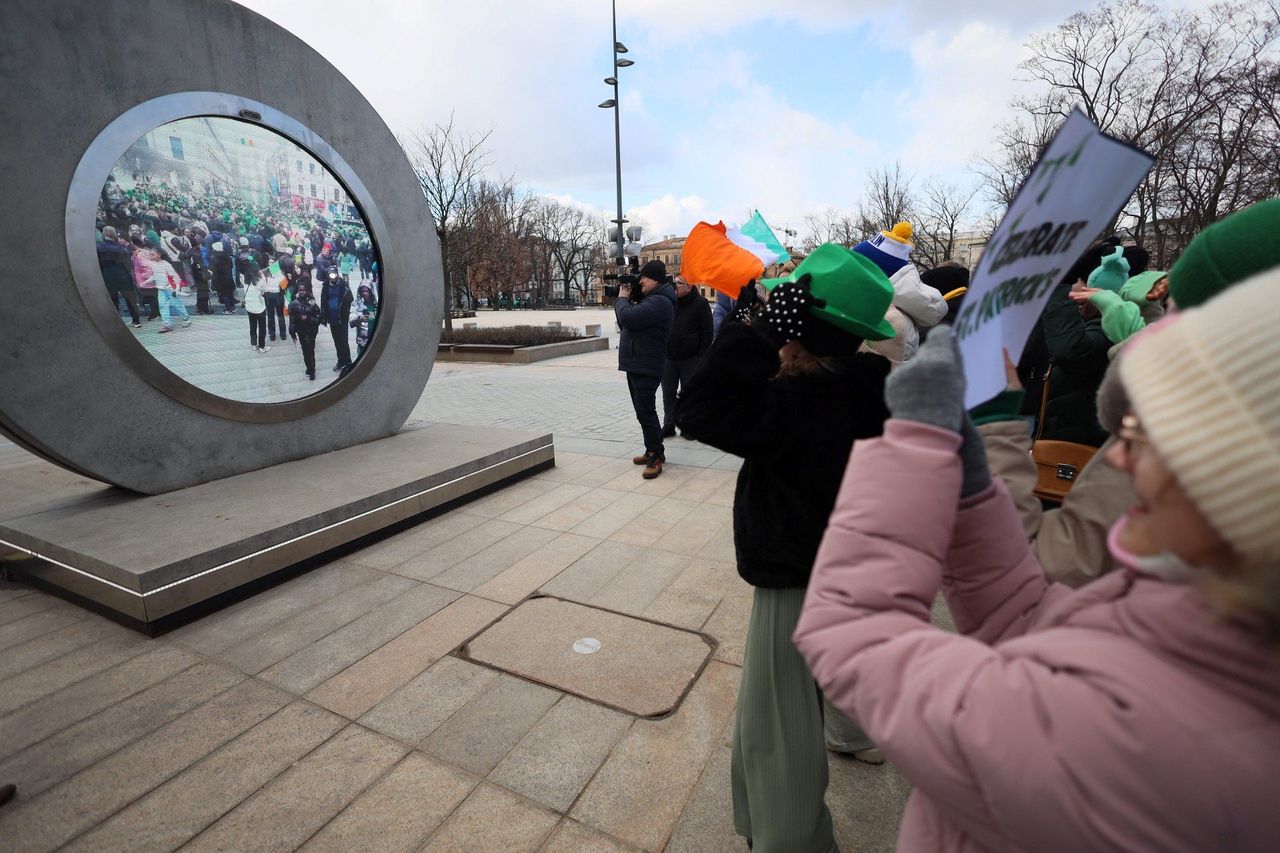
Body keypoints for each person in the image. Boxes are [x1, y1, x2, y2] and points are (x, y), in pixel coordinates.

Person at [795, 272, 1280, 850]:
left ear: (1242, 488)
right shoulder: (1207, 622)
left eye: (1142, 437)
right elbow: (1026, 618)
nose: (1118, 460)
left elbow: (852, 634)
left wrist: (914, 445)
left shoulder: (1146, 739)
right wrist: (975, 486)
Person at [678, 244, 897, 853]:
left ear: (802, 328)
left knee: (778, 724)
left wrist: (757, 331)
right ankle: (852, 743)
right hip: (856, 569)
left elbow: (697, 409)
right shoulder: (872, 387)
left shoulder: (803, 401)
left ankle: (789, 839)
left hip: (799, 579)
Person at [614, 259, 677, 478]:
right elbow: (624, 321)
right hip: (637, 362)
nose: (640, 281)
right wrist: (626, 301)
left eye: (644, 278)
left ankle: (656, 456)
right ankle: (652, 449)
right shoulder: (651, 299)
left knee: (646, 411)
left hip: (646, 364)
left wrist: (622, 300)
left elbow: (628, 318)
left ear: (656, 280)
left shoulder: (660, 302)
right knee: (642, 411)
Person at [660, 274, 712, 437]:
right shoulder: (670, 301)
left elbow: (707, 332)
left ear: (689, 287)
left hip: (691, 358)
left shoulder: (701, 303)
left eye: (678, 283)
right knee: (668, 393)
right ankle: (669, 424)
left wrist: (701, 357)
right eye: (674, 282)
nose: (674, 286)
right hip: (669, 357)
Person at [96, 226, 141, 327]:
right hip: (124, 276)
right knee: (130, 299)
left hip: (108, 276)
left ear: (103, 235)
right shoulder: (122, 249)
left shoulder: (99, 248)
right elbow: (128, 264)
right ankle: (136, 320)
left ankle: (117, 322)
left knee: (113, 300)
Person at [147, 248, 190, 333]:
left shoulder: (166, 264)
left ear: (159, 255)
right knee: (162, 306)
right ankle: (167, 324)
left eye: (152, 254)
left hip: (169, 289)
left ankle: (186, 319)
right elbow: (155, 276)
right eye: (150, 254)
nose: (150, 256)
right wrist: (147, 281)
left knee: (177, 304)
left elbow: (175, 276)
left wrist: (177, 288)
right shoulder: (153, 264)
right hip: (161, 289)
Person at [320, 268, 354, 372]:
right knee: (337, 341)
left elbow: (351, 299)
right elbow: (323, 301)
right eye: (331, 275)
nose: (333, 277)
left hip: (342, 318)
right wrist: (323, 317)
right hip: (332, 319)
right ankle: (341, 361)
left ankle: (348, 362)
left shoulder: (343, 284)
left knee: (344, 341)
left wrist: (347, 310)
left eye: (334, 274)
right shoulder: (325, 286)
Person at [292, 282, 322, 380]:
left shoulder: (312, 302)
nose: (302, 292)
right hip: (301, 331)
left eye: (303, 290)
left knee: (310, 350)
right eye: (300, 290)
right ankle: (309, 368)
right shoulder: (294, 303)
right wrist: (292, 333)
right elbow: (292, 320)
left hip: (311, 330)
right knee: (305, 351)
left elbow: (319, 318)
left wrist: (308, 319)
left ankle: (312, 370)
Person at [243, 272, 269, 353]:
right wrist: (263, 277)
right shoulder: (259, 282)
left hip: (249, 308)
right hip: (259, 308)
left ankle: (254, 344)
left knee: (252, 326)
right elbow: (266, 289)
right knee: (262, 328)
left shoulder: (245, 281)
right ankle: (262, 347)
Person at [350, 283, 378, 359]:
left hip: (376, 340)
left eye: (367, 291)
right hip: (363, 341)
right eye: (363, 291)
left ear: (371, 292)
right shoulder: (355, 304)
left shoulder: (377, 304)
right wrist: (359, 319)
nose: (365, 293)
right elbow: (351, 322)